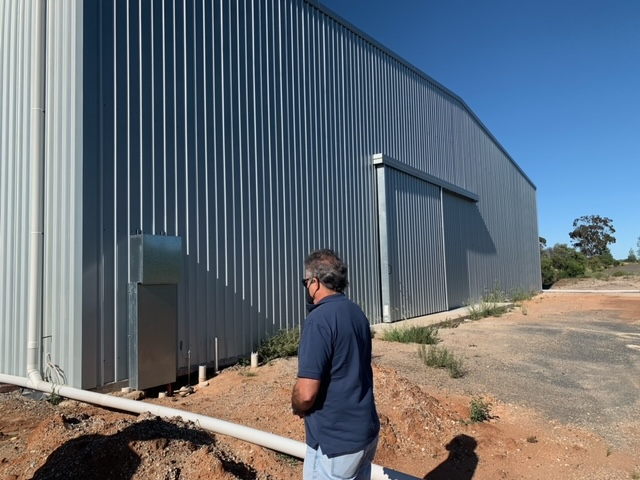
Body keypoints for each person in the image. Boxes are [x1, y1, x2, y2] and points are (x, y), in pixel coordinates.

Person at [292, 249, 380, 480]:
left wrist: (298, 406)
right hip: (364, 434)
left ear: (315, 282)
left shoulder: (319, 320)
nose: (307, 288)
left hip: (336, 443)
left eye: (306, 282)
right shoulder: (356, 312)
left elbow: (307, 393)